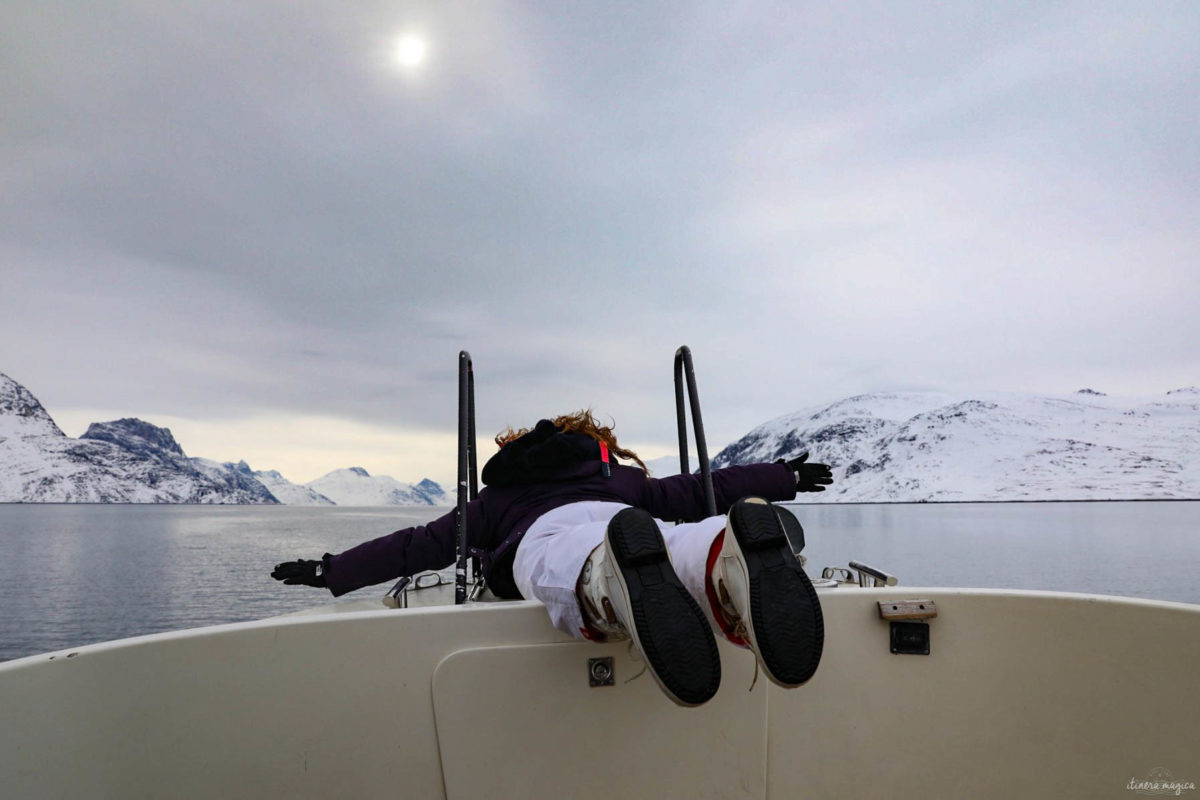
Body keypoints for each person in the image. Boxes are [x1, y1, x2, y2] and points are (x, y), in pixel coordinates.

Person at [272, 410, 833, 707]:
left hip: (550, 536)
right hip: (632, 522)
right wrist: (784, 475)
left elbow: (422, 544)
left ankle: (608, 582)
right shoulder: (622, 479)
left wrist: (333, 570)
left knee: (567, 561)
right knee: (676, 542)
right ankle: (724, 554)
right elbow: (695, 486)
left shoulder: (497, 500)